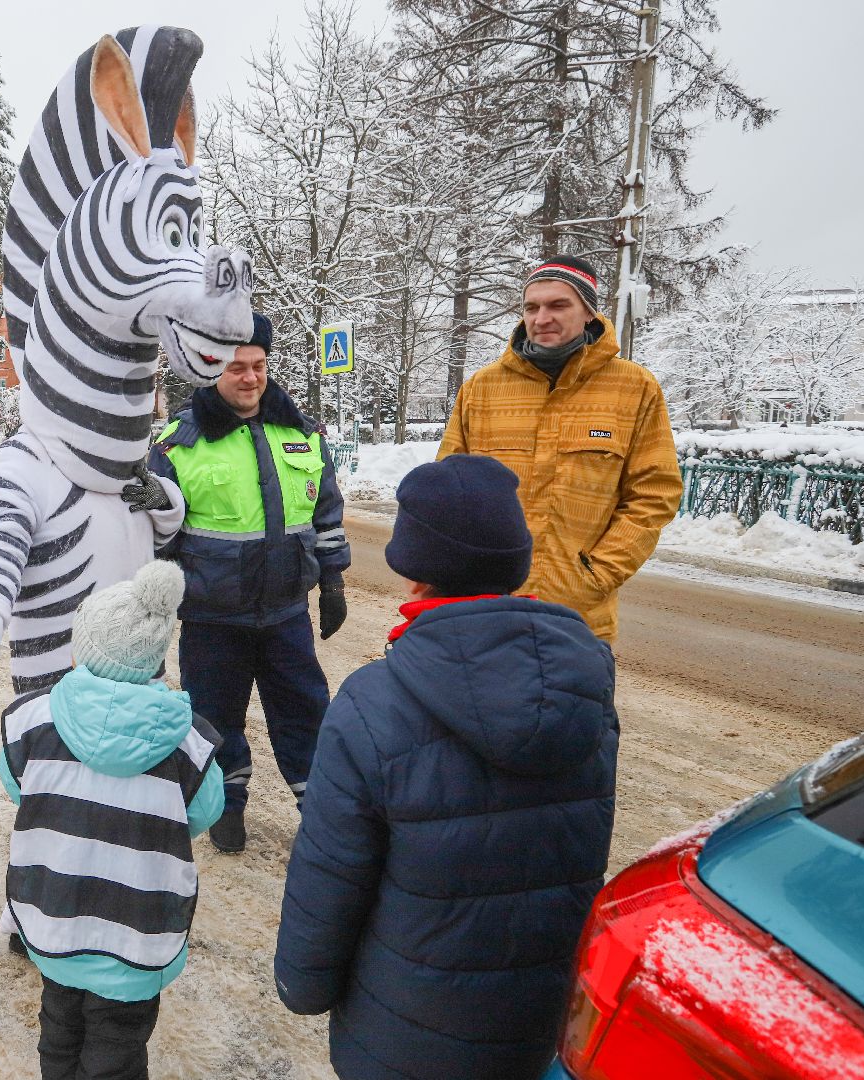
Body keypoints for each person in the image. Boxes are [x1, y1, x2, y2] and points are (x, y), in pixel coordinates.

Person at [273, 455, 619, 1080]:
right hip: (539, 1019)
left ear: (415, 573)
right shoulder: (587, 686)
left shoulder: (372, 702)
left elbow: (331, 872)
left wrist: (303, 983)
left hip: (404, 1029)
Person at [0, 560, 225, 1080]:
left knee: (58, 1026)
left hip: (54, 914)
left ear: (80, 650)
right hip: (137, 931)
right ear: (155, 662)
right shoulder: (190, 746)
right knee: (117, 1045)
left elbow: (17, 786)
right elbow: (202, 814)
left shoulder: (30, 720)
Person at [148, 313, 350, 853]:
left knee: (307, 713)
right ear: (212, 369)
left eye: (258, 365)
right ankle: (225, 804)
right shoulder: (177, 445)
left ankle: (323, 814)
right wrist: (155, 609)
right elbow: (158, 539)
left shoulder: (303, 435)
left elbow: (326, 513)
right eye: (237, 367)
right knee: (214, 719)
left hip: (286, 614)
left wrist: (333, 582)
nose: (250, 377)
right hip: (213, 619)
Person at [438, 254, 682, 642]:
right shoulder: (483, 390)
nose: (541, 318)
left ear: (589, 312)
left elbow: (654, 494)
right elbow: (448, 489)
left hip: (577, 618)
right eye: (531, 307)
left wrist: (595, 573)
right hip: (485, 608)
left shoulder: (634, 389)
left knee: (575, 705)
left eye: (558, 305)